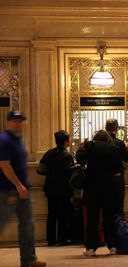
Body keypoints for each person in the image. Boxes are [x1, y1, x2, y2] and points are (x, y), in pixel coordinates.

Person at [0, 110, 46, 267]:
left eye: (20, 121)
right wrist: (18, 185)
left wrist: (22, 186)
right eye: (15, 120)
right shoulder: (4, 140)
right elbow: (4, 165)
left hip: (23, 190)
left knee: (28, 225)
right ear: (8, 122)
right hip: (8, 191)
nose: (18, 123)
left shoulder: (18, 139)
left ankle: (29, 258)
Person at [76, 130, 121, 256]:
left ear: (95, 138)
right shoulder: (114, 148)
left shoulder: (90, 145)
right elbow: (118, 169)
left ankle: (91, 248)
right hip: (109, 186)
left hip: (93, 186)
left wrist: (81, 148)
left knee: (93, 217)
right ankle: (113, 246)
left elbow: (80, 158)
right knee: (109, 216)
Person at [38, 130, 74, 246]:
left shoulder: (49, 153)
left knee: (52, 214)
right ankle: (63, 239)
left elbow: (40, 169)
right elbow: (70, 172)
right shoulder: (67, 155)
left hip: (50, 188)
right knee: (63, 214)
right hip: (63, 189)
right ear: (65, 142)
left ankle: (51, 239)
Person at [105, 118, 128, 216]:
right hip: (117, 178)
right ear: (116, 130)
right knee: (118, 206)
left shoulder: (101, 143)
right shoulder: (120, 143)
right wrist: (126, 148)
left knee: (106, 207)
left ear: (106, 129)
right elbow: (126, 158)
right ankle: (118, 229)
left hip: (105, 179)